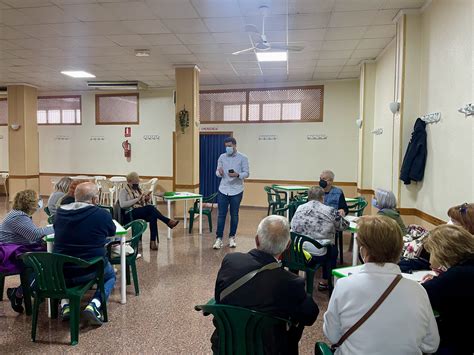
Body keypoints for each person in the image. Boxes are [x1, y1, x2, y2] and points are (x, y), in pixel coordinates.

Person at [323, 216, 439, 355]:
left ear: (363, 250)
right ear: (399, 248)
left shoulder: (345, 285)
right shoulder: (418, 291)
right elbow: (431, 344)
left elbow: (333, 335)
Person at [213, 215, 319, 354]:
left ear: (257, 239)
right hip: (268, 350)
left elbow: (218, 296)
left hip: (225, 346)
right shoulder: (291, 282)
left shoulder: (231, 261)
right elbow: (310, 315)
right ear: (287, 246)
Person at [54, 182, 116, 325]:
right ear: (95, 199)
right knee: (110, 275)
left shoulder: (60, 213)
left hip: (62, 270)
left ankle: (65, 305)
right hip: (89, 268)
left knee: (66, 276)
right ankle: (95, 304)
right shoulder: (102, 214)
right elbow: (111, 233)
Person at [421, 224, 474, 355]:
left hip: (460, 344)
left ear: (442, 251)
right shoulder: (466, 268)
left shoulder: (457, 275)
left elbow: (421, 294)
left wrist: (438, 279)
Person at [0, 189, 53, 313]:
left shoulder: (18, 214)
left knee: (44, 253)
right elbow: (35, 235)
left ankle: (32, 288)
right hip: (9, 253)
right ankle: (19, 293)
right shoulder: (18, 217)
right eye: (38, 199)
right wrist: (56, 228)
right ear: (30, 203)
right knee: (45, 261)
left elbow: (29, 234)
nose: (40, 202)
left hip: (12, 247)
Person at [290, 186, 349, 291]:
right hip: (317, 252)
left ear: (308, 197)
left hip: (297, 251)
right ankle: (325, 281)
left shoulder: (300, 208)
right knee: (333, 250)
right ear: (323, 197)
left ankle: (293, 278)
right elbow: (343, 226)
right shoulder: (329, 210)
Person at [119, 172, 178, 250]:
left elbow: (143, 203)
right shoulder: (124, 191)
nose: (137, 184)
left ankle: (152, 241)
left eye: (137, 182)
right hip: (129, 214)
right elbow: (122, 205)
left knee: (152, 216)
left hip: (139, 212)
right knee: (150, 208)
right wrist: (137, 199)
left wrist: (146, 199)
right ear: (129, 182)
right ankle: (167, 221)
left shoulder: (138, 190)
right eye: (135, 183)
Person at [213, 137, 249, 250]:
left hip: (237, 190)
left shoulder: (243, 158)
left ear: (234, 145)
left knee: (234, 215)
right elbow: (217, 172)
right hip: (223, 189)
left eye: (229, 146)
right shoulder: (222, 157)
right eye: (226, 146)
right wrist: (219, 172)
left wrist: (238, 175)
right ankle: (218, 239)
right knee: (221, 215)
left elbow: (247, 173)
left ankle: (232, 237)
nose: (227, 148)